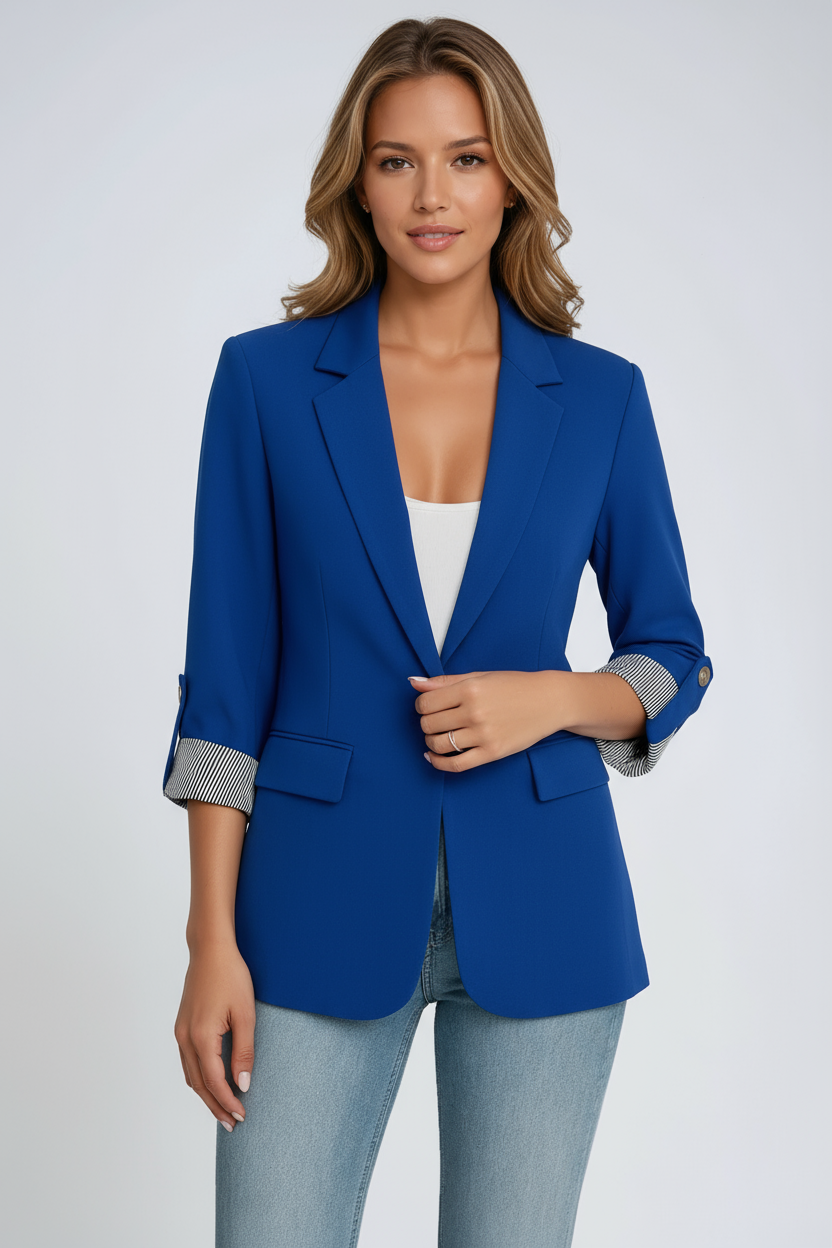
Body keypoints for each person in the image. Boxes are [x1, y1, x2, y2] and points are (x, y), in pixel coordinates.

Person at [163, 16, 713, 1248]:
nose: (431, 196)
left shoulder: (601, 397)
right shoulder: (264, 383)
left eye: (465, 159)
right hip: (309, 900)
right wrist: (209, 941)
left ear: (511, 180)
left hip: (548, 898)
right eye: (396, 160)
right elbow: (224, 688)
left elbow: (674, 653)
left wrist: (551, 698)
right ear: (355, 183)